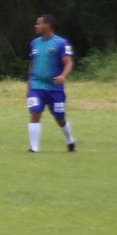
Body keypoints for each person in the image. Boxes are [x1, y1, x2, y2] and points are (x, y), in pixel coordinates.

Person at [27, 14, 76, 154]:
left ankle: (70, 140)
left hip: (54, 88)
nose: (36, 26)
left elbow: (69, 62)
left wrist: (63, 75)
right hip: (36, 86)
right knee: (35, 112)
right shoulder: (34, 43)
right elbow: (32, 64)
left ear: (47, 25)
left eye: (38, 23)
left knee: (60, 118)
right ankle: (34, 148)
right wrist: (29, 84)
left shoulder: (61, 43)